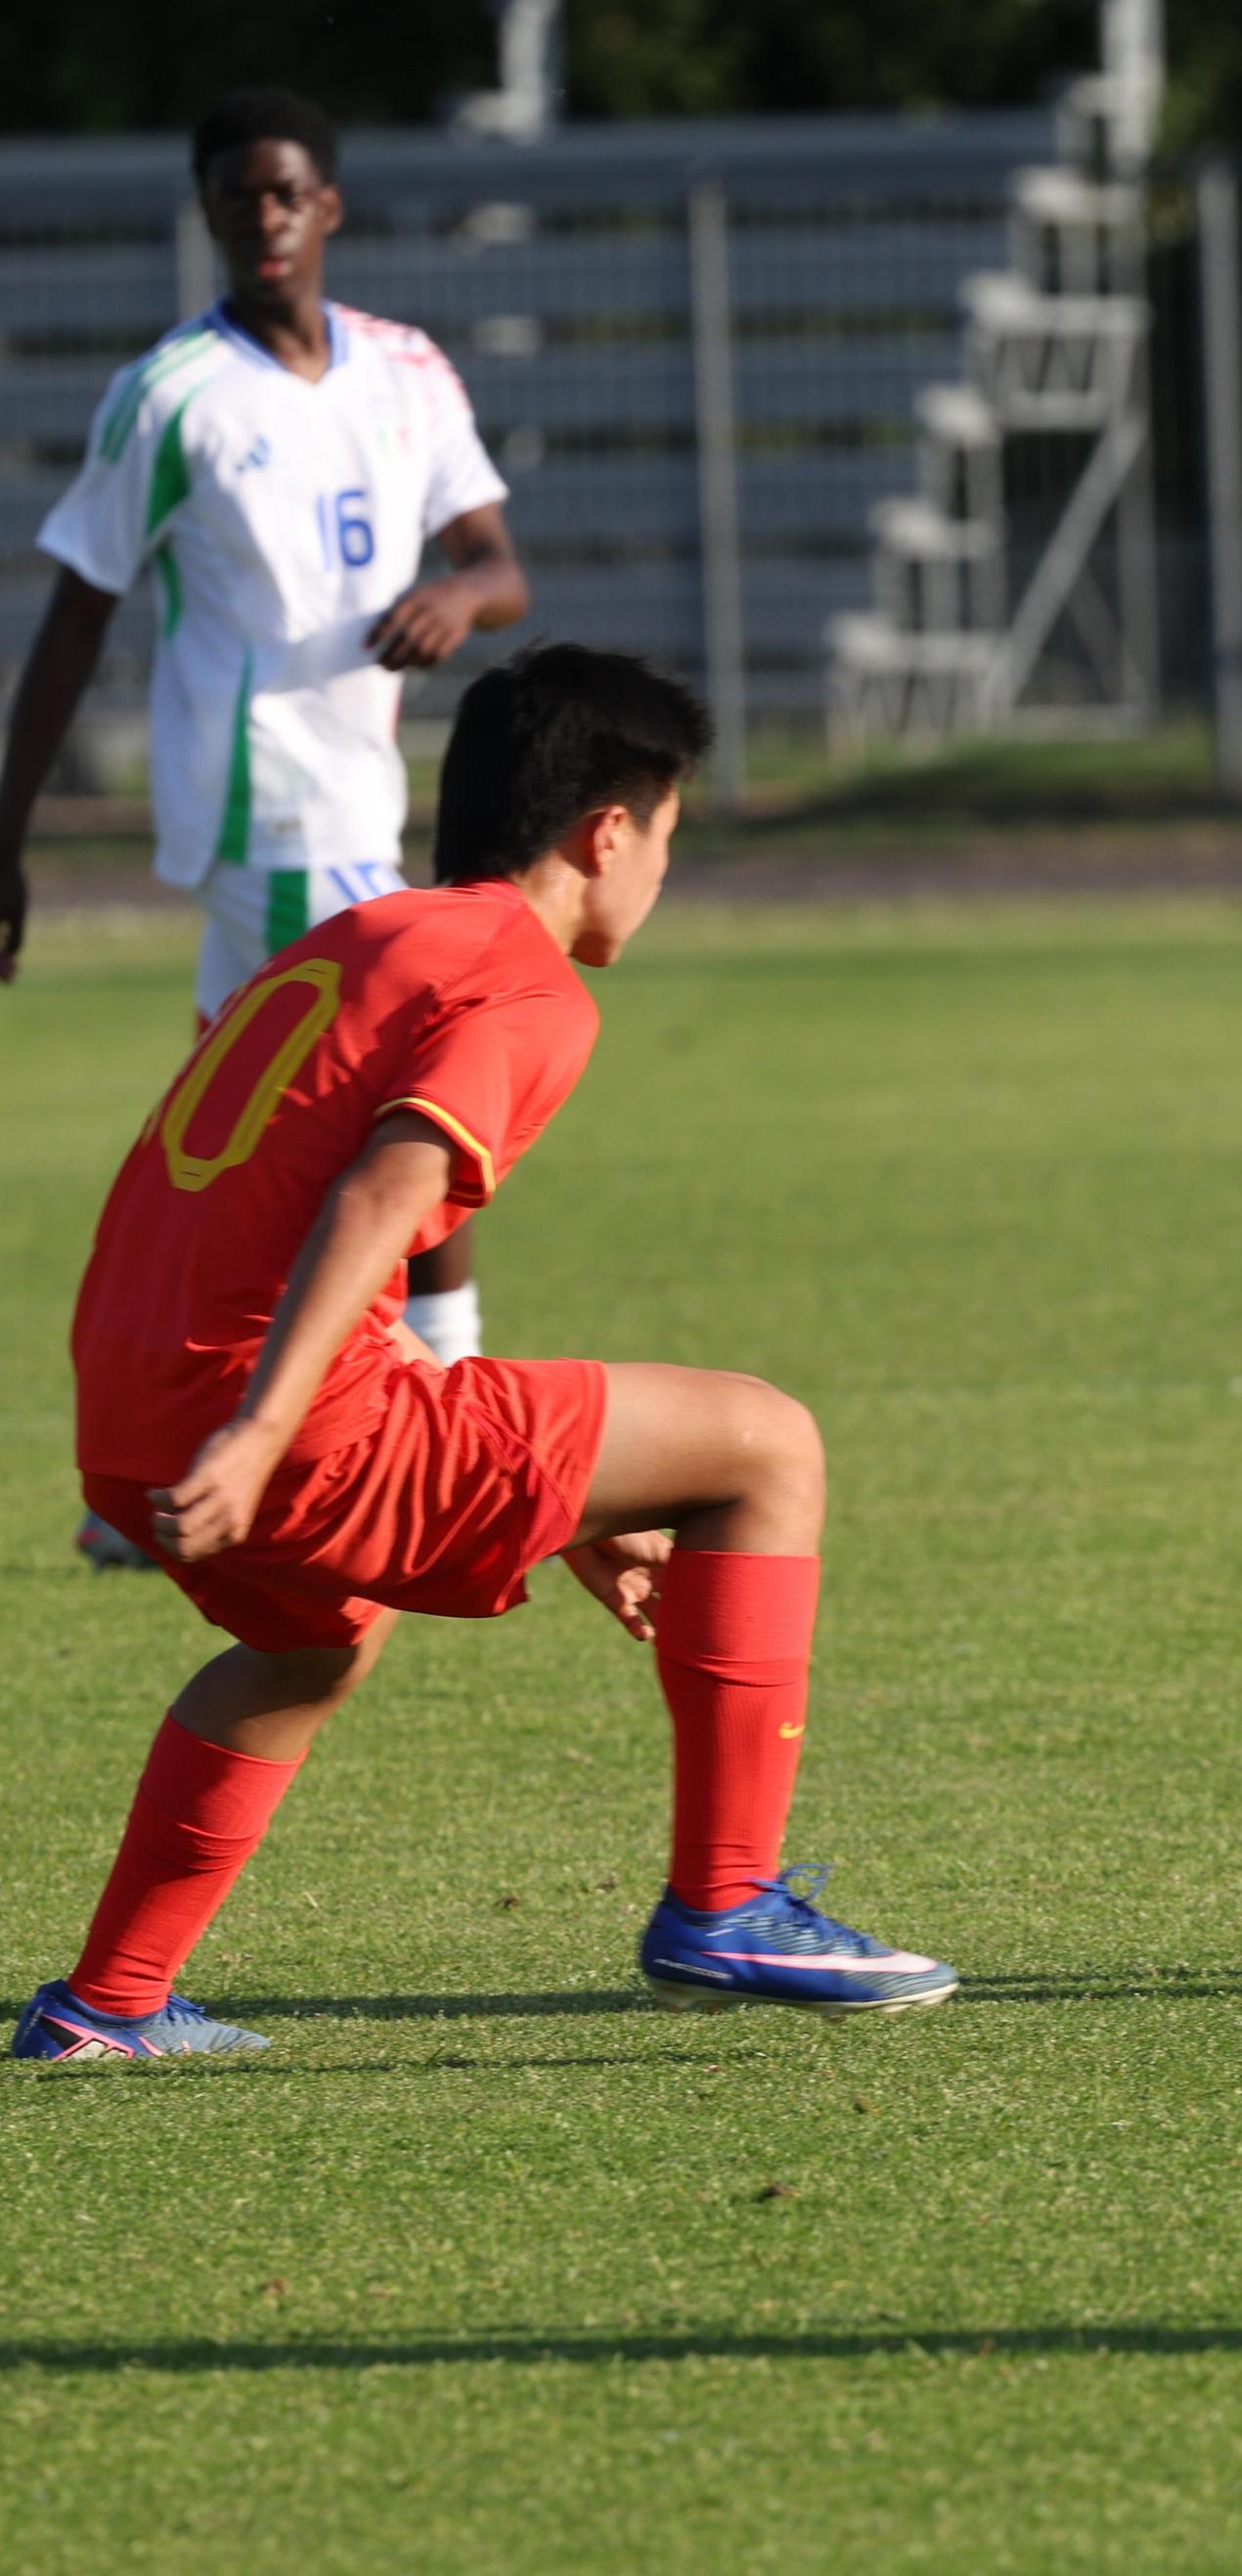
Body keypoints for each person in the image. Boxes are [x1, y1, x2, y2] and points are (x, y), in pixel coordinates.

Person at [11, 643, 956, 2064]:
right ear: (609, 830)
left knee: (307, 1641)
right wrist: (266, 1434)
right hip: (260, 1420)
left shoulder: (365, 938)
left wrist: (568, 1508)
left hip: (134, 1415)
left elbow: (260, 1216)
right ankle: (729, 1903)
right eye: (670, 838)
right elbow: (384, 1195)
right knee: (766, 1444)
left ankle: (108, 2004)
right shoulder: (524, 984)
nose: (660, 875)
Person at [0, 85, 531, 1565]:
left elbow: (498, 560)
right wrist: (7, 826)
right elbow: (73, 617)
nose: (267, 219)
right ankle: (430, 1392)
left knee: (235, 1132)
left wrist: (455, 597)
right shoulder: (172, 395)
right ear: (212, 217)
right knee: (401, 1093)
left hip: (363, 789)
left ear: (331, 206)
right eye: (239, 198)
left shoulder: (408, 372)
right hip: (263, 805)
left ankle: (162, 1455)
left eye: (289, 192)